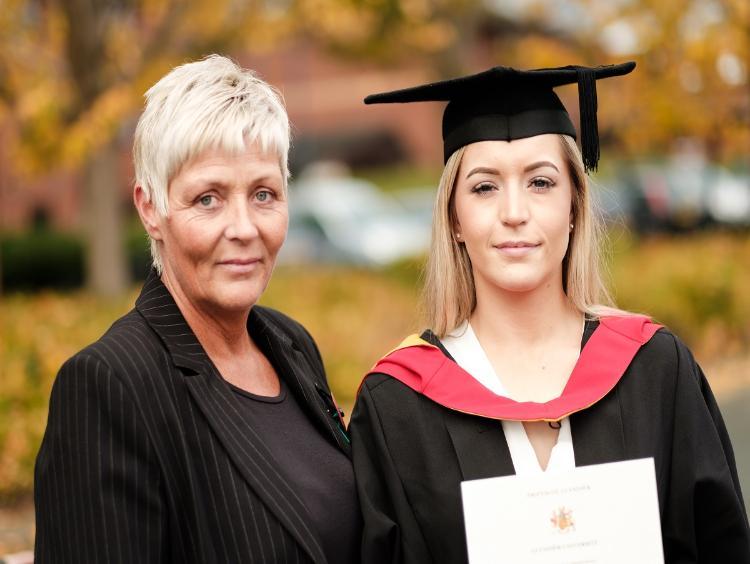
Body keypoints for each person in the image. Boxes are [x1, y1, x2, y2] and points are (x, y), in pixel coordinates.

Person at [349, 62, 750, 563]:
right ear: (454, 218)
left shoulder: (655, 369)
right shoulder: (398, 406)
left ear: (575, 205)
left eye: (540, 182)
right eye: (484, 187)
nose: (514, 211)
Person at [34, 55, 361, 564]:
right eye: (208, 198)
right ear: (150, 208)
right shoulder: (109, 387)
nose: (244, 227)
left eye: (263, 194)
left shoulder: (291, 344)